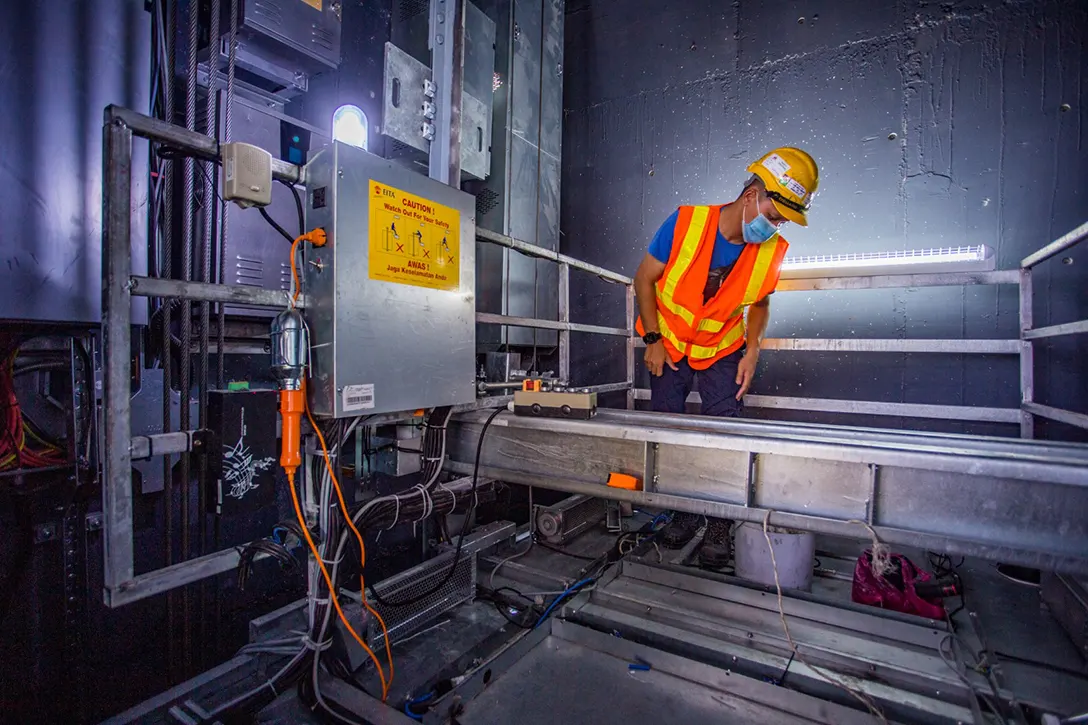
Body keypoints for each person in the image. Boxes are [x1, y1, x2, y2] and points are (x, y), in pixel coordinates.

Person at [634, 147, 819, 416]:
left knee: (727, 428)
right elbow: (643, 279)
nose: (774, 228)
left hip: (722, 350)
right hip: (669, 343)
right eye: (772, 217)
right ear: (750, 196)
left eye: (781, 223)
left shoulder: (770, 251)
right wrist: (653, 340)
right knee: (665, 422)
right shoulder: (686, 222)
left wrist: (752, 354)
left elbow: (760, 304)